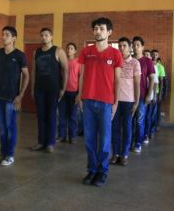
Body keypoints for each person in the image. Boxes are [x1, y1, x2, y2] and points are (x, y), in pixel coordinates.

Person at [77, 17, 122, 187]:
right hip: (88, 101)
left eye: (102, 28)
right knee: (89, 139)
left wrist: (116, 102)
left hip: (106, 103)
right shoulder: (86, 52)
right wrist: (80, 96)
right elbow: (81, 75)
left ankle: (102, 171)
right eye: (95, 28)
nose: (98, 31)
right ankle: (91, 170)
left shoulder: (115, 54)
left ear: (109, 32)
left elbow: (117, 80)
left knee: (104, 140)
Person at [0, 26, 29, 166]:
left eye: (7, 35)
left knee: (10, 127)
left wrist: (20, 95)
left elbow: (26, 75)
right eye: (3, 34)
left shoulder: (19, 55)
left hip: (11, 98)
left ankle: (10, 155)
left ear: (14, 38)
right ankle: (2, 154)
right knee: (2, 127)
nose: (3, 37)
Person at [30, 28, 68, 153]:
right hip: (39, 89)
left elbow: (66, 69)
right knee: (41, 116)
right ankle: (41, 141)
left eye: (46, 35)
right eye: (42, 35)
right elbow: (34, 71)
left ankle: (50, 143)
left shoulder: (58, 51)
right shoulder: (37, 52)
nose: (44, 37)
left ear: (51, 37)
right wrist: (32, 89)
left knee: (51, 115)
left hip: (53, 89)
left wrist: (63, 88)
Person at [110, 37, 140, 166]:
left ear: (130, 48)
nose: (122, 48)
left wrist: (136, 102)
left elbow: (137, 84)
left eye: (124, 46)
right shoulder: (115, 62)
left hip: (128, 101)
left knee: (127, 128)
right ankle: (115, 154)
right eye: (120, 46)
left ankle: (125, 155)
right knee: (115, 128)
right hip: (115, 101)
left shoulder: (134, 63)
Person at [132, 36, 155, 153]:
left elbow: (151, 79)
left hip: (142, 96)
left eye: (138, 45)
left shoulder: (147, 61)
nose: (135, 47)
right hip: (129, 96)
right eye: (134, 45)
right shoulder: (129, 60)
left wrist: (148, 95)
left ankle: (138, 143)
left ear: (142, 47)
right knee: (129, 121)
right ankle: (130, 141)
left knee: (140, 121)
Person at [57, 42, 81, 144]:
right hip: (63, 92)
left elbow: (81, 78)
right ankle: (62, 136)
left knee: (72, 116)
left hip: (73, 92)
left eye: (71, 48)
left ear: (75, 51)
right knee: (62, 115)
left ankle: (72, 136)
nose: (69, 50)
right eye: (68, 48)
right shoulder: (63, 61)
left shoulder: (78, 62)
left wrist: (79, 94)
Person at [151, 49, 166, 134]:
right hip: (147, 91)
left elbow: (161, 82)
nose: (154, 56)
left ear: (158, 56)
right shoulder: (148, 64)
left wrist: (160, 94)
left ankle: (154, 127)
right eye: (153, 54)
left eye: (156, 54)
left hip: (156, 92)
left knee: (155, 111)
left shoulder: (160, 67)